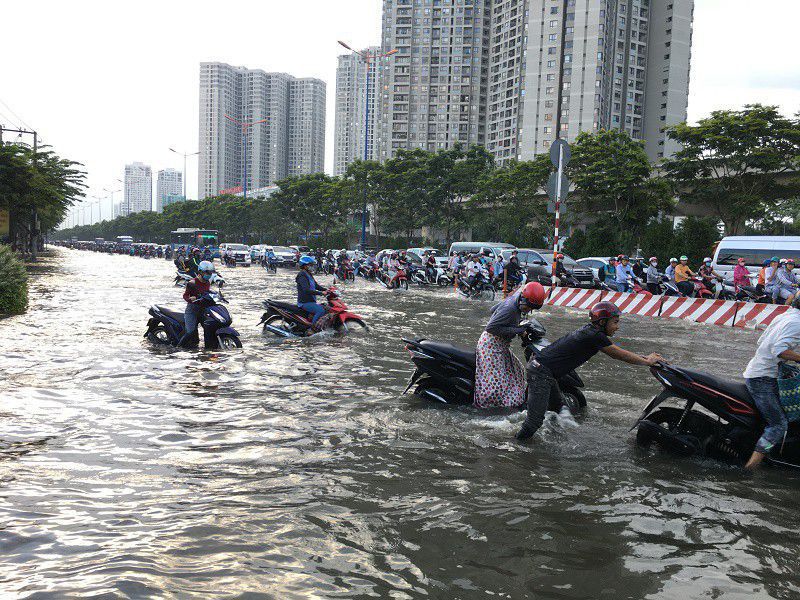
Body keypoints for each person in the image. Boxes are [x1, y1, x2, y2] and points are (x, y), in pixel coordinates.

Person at [516, 302, 664, 440]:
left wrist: (647, 358)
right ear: (602, 322)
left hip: (545, 370)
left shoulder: (592, 332)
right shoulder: (594, 336)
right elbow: (618, 354)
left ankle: (556, 436)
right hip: (541, 372)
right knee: (534, 422)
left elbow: (619, 351)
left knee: (559, 407)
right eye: (615, 322)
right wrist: (646, 361)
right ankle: (515, 446)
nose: (617, 327)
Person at [742, 302, 800, 469]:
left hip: (760, 372)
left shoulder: (785, 316)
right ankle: (750, 468)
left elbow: (762, 340)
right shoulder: (796, 323)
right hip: (763, 378)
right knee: (779, 424)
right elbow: (780, 350)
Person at [475, 283, 548, 408]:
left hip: (502, 346)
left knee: (518, 370)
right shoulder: (510, 308)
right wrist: (518, 330)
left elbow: (493, 310)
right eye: (528, 307)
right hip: (491, 346)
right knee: (496, 384)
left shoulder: (514, 299)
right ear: (523, 300)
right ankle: (492, 407)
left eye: (531, 309)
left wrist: (517, 323)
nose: (528, 310)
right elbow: (491, 327)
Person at [176, 260, 215, 347]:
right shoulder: (192, 283)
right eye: (207, 272)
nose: (209, 274)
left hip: (203, 310)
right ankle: (178, 347)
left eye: (210, 272)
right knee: (190, 332)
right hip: (192, 311)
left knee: (209, 328)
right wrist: (190, 299)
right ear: (200, 272)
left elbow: (207, 293)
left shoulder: (207, 282)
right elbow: (185, 295)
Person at [296, 256, 328, 327]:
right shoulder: (302, 276)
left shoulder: (309, 274)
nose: (312, 267)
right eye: (310, 265)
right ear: (304, 266)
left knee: (326, 308)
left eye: (312, 265)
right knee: (320, 311)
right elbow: (306, 290)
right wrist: (321, 293)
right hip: (304, 302)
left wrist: (326, 290)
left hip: (311, 301)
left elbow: (316, 286)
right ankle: (313, 328)